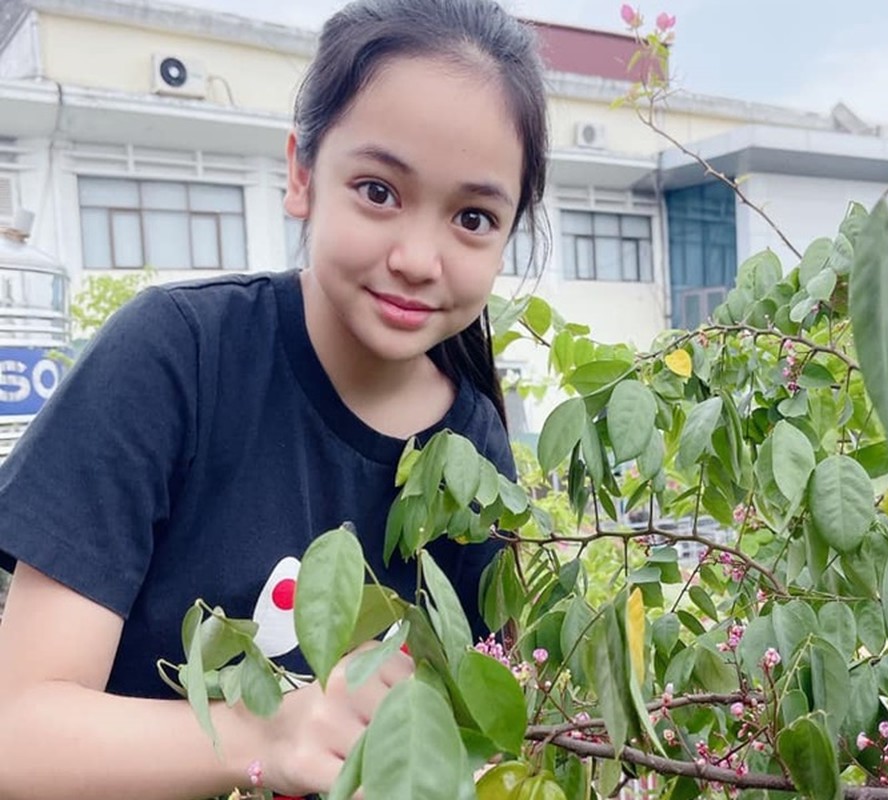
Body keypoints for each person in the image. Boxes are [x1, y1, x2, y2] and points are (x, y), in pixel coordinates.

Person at [0, 0, 548, 797]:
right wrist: (265, 731)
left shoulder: (472, 451)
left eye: (472, 217)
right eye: (377, 190)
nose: (418, 257)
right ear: (301, 175)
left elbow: (471, 732)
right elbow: (17, 732)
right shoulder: (177, 358)